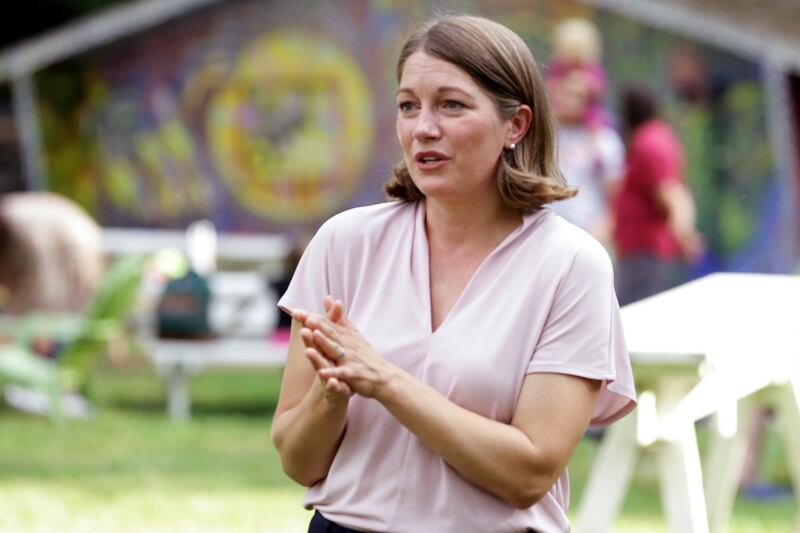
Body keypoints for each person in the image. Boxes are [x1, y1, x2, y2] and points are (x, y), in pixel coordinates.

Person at [271, 15, 636, 533]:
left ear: (517, 124)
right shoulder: (344, 243)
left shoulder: (571, 265)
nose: (423, 128)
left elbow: (529, 471)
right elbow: (298, 461)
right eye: (408, 106)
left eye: (452, 105)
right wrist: (331, 394)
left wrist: (384, 380)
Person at [613, 84, 704, 305]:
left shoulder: (649, 142)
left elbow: (671, 192)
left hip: (646, 253)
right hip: (642, 252)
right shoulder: (658, 137)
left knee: (635, 314)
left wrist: (684, 234)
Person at [550, 69, 625, 250]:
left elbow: (616, 198)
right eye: (567, 92)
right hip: (547, 237)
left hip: (588, 237)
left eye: (578, 95)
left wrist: (598, 235)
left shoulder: (604, 141)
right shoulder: (543, 136)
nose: (571, 100)